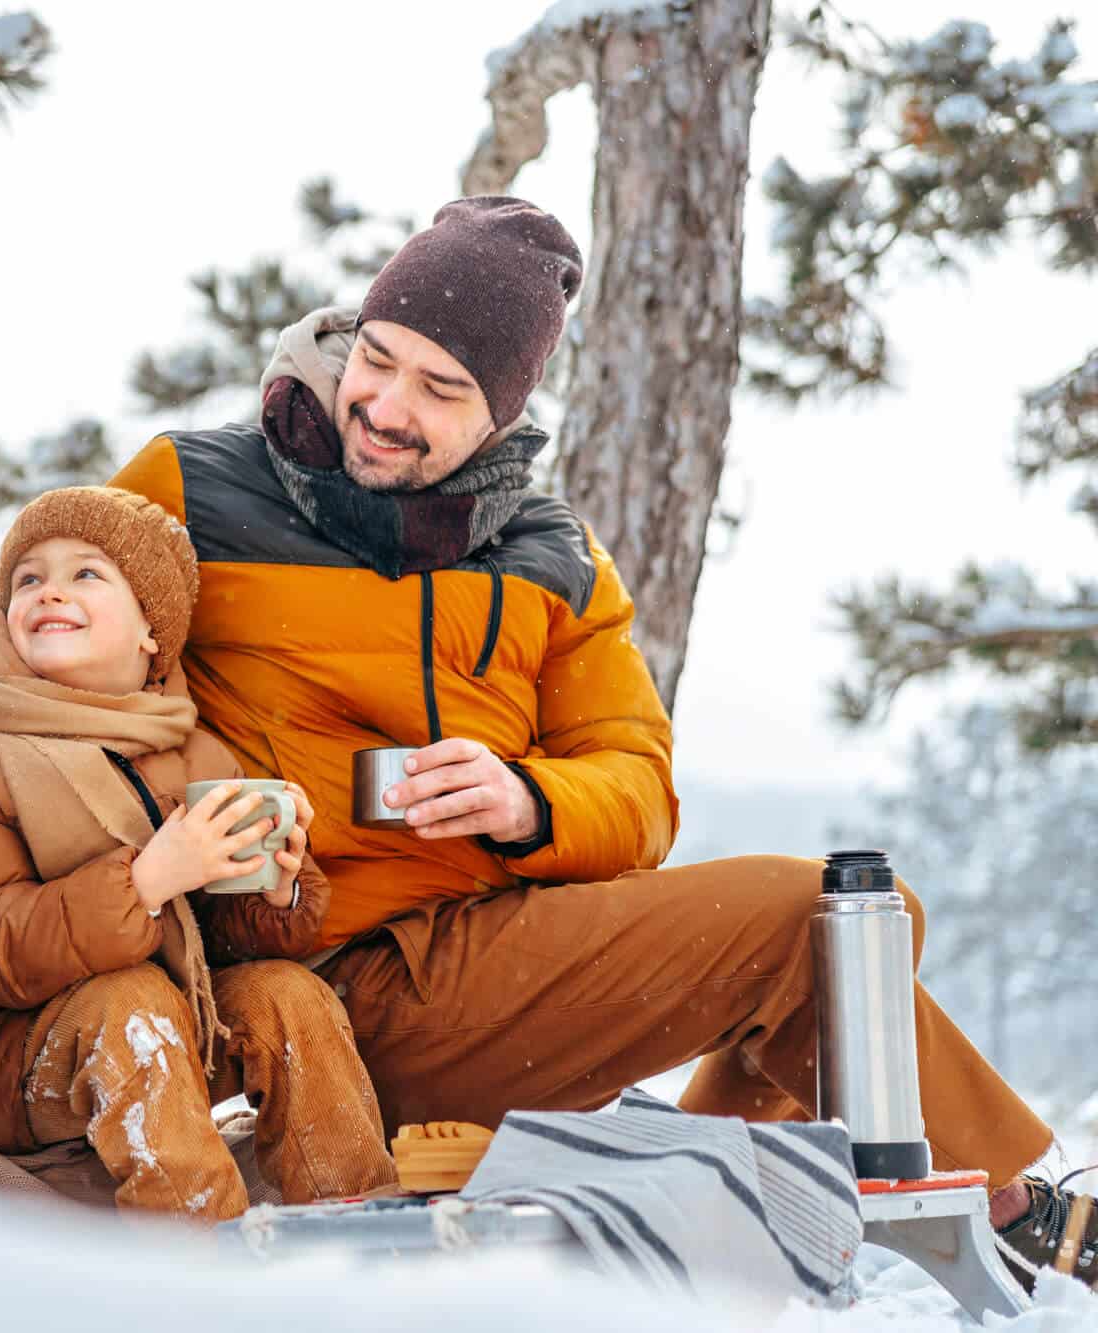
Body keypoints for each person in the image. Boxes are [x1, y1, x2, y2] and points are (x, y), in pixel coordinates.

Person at [100, 196, 1091, 1288]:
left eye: (440, 390)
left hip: (487, 958)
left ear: (501, 413)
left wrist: (524, 801)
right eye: (374, 361)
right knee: (816, 925)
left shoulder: (550, 556)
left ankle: (731, 1185)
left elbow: (637, 792)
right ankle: (1006, 1209)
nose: (382, 406)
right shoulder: (193, 487)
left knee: (856, 920)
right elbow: (21, 646)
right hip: (303, 981)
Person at [0, 487, 397, 1220]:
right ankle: (193, 1243)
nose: (50, 590)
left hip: (178, 1019)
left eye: (86, 574)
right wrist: (144, 882)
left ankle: (355, 1210)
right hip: (15, 1057)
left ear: (151, 630)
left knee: (286, 997)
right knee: (131, 1004)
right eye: (28, 578)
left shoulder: (191, 748)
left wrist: (276, 892)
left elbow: (217, 940)